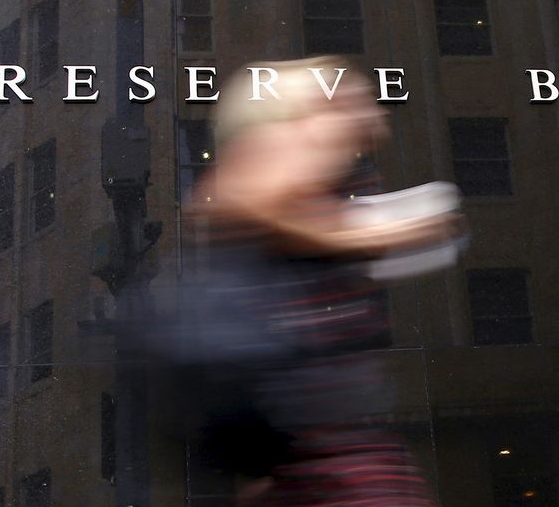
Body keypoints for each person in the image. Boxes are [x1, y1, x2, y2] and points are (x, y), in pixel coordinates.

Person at [175, 56, 462, 506]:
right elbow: (242, 202)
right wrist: (372, 236)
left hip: (319, 435)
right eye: (343, 98)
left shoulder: (332, 176)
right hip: (318, 439)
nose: (370, 109)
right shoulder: (284, 150)